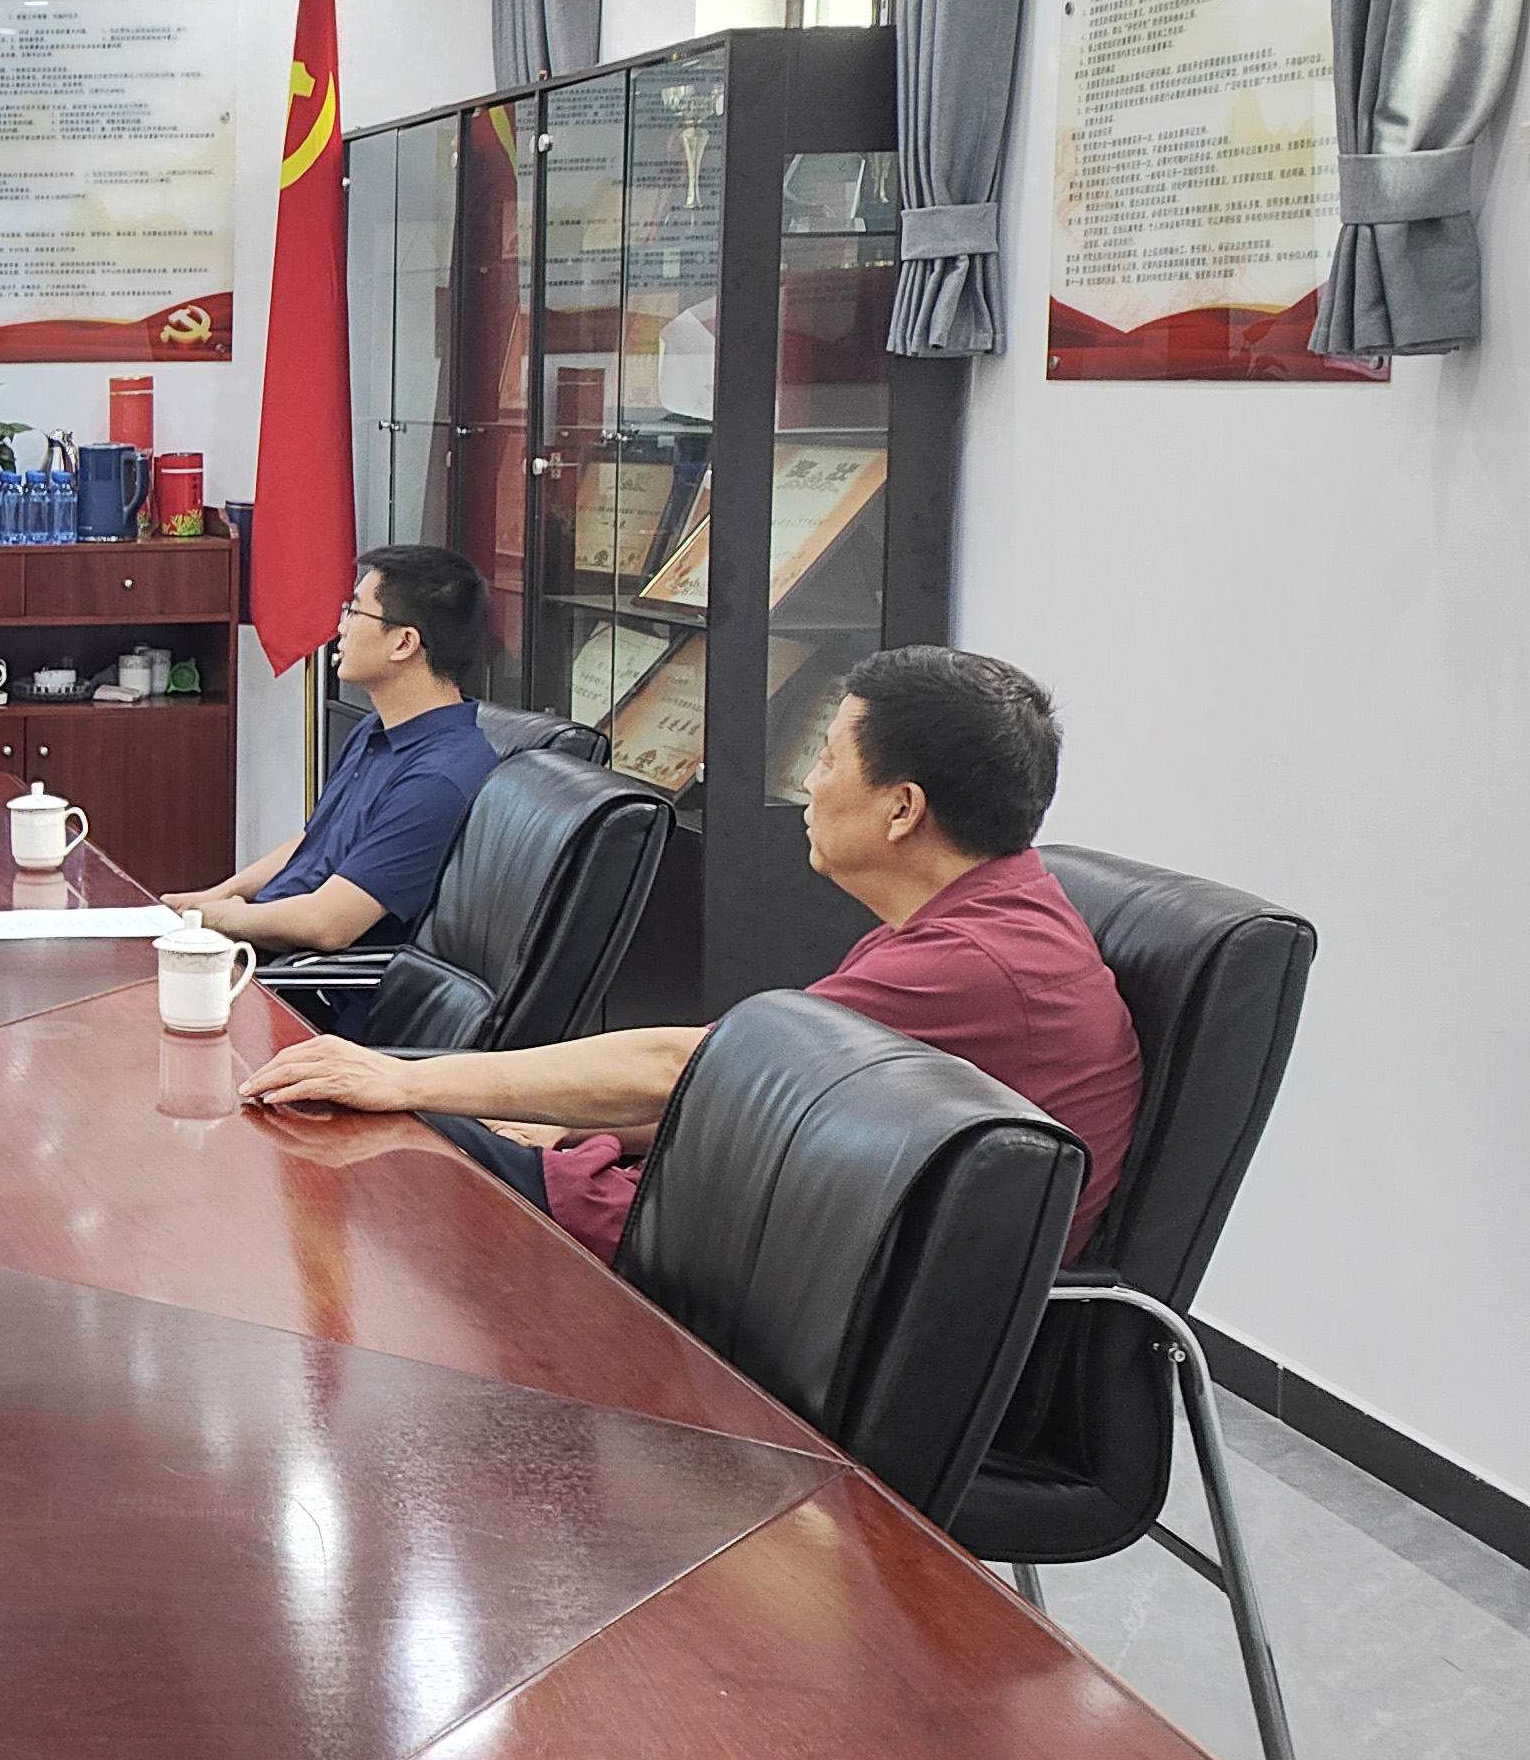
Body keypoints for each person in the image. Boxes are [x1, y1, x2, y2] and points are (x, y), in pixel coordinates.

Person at [244, 644, 1143, 1270]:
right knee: (412, 1146)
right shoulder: (987, 916)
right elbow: (753, 1080)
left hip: (801, 1275)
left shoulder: (975, 963)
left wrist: (409, 1079)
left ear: (902, 809)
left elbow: (702, 1068)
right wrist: (573, 1124)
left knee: (392, 1152)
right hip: (796, 1227)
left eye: (828, 760)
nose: (809, 782)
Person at [170, 544, 502, 955]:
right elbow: (315, 843)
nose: (341, 627)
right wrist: (215, 896)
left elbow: (328, 925)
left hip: (308, 977)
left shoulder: (439, 778)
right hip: (264, 943)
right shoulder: (375, 731)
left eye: (355, 612)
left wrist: (215, 919)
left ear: (403, 643)